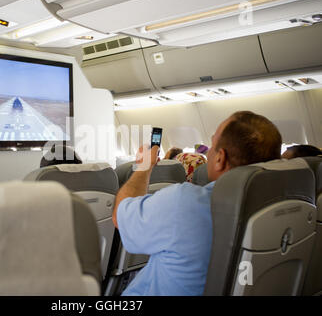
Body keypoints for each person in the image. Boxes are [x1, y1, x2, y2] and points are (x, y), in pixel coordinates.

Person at [112, 111, 282, 296]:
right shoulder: (277, 211)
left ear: (220, 159)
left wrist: (143, 167)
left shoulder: (184, 202)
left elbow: (120, 216)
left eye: (212, 145)